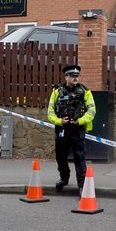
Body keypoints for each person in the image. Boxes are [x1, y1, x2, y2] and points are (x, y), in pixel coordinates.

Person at [47, 64, 95, 194]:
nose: (75, 78)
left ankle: (82, 185)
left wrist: (80, 121)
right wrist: (59, 121)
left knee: (79, 158)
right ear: (66, 77)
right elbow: (50, 112)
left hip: (77, 129)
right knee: (60, 157)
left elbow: (92, 110)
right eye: (72, 76)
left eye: (77, 76)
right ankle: (64, 178)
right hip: (62, 129)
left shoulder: (85, 91)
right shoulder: (57, 91)